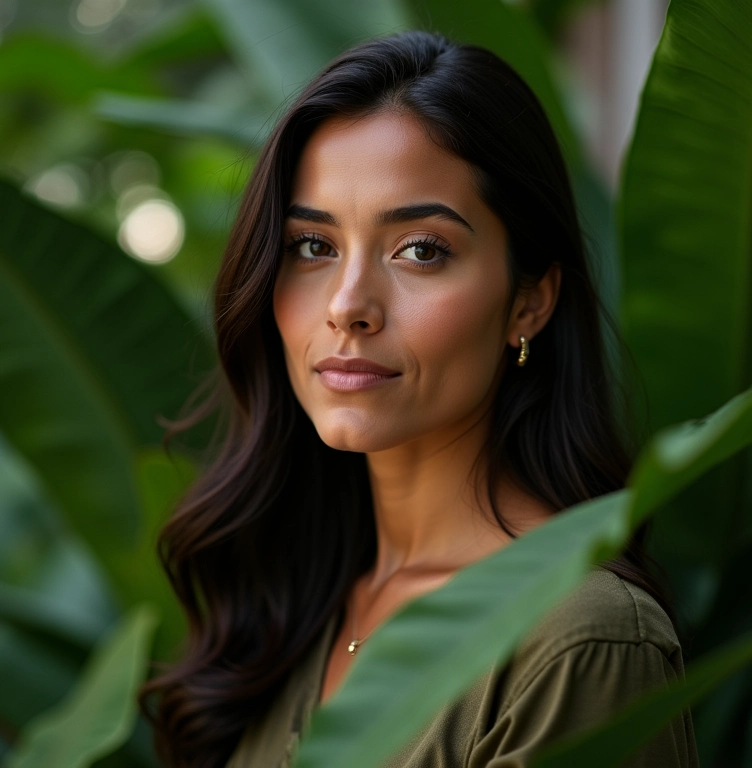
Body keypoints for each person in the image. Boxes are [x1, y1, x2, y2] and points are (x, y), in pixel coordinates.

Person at [140, 30, 699, 768]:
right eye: (313, 246)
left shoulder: (576, 642)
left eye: (421, 250)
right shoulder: (296, 607)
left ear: (531, 300)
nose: (348, 305)